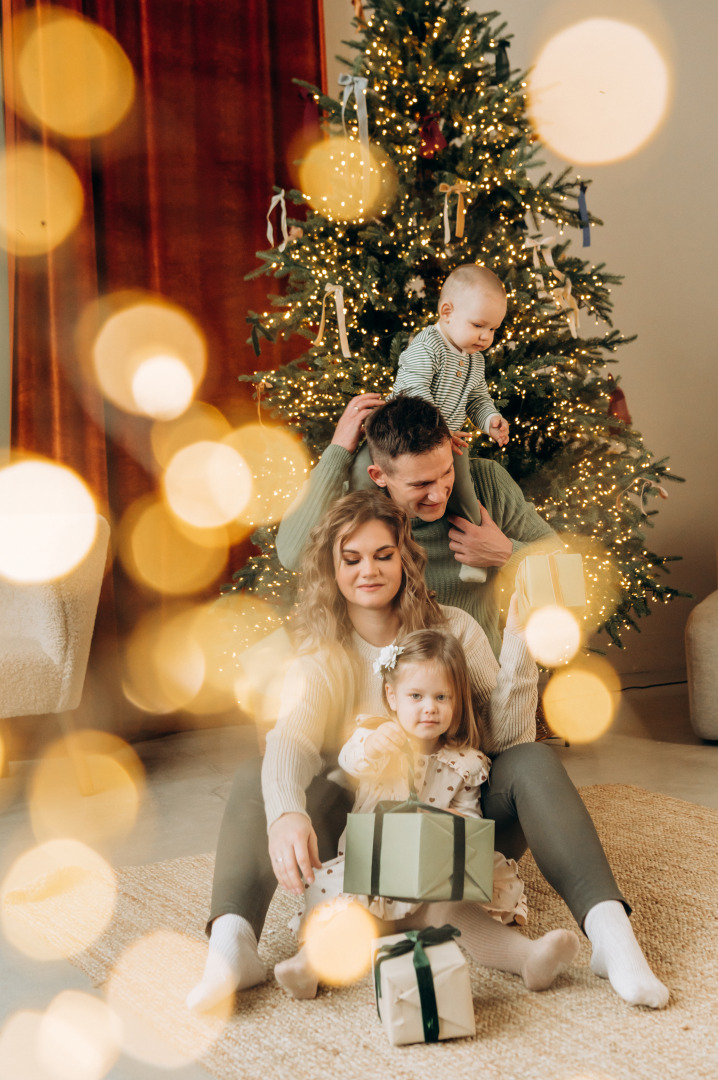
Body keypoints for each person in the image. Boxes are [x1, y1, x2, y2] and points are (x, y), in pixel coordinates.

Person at [187, 491, 668, 1014]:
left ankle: (612, 938)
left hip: (454, 828)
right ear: (332, 567)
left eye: (383, 555)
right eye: (351, 559)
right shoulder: (321, 654)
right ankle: (232, 948)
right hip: (357, 845)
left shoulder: (453, 628)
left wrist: (521, 639)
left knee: (535, 761)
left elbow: (508, 741)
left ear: (405, 558)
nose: (368, 570)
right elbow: (291, 740)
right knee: (257, 777)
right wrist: (284, 813)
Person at [274, 627, 580, 1001]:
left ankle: (527, 958)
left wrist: (458, 823)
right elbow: (350, 761)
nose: (429, 707)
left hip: (434, 878)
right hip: (377, 874)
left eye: (441, 697)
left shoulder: (465, 762)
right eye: (415, 696)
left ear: (456, 702)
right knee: (352, 911)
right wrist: (374, 744)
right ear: (392, 696)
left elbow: (471, 816)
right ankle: (310, 965)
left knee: (458, 909)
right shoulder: (377, 738)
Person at [276, 392, 555, 660]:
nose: (438, 494)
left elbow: (564, 570)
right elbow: (292, 555)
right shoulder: (354, 508)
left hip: (477, 671)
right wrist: (337, 452)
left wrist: (505, 553)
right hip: (390, 683)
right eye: (420, 484)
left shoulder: (487, 482)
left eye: (447, 471)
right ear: (379, 475)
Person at [353, 264, 510, 584]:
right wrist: (440, 431)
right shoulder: (428, 348)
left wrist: (491, 419)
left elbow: (477, 399)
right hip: (406, 441)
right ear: (447, 312)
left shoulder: (474, 359)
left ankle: (472, 556)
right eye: (479, 324)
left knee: (465, 491)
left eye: (493, 329)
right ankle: (375, 551)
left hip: (447, 444)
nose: (485, 336)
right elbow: (413, 393)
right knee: (365, 484)